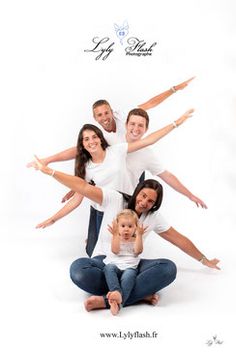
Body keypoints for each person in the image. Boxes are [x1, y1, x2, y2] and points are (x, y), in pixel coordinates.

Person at [29, 157, 220, 312]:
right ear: (137, 192)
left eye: (150, 201)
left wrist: (204, 260)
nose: (144, 202)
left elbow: (179, 239)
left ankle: (108, 300)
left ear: (155, 204)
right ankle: (136, 294)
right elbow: (83, 187)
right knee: (78, 270)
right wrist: (50, 171)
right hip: (104, 261)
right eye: (143, 196)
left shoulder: (153, 217)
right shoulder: (115, 198)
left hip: (132, 265)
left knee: (168, 268)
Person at [31, 109, 194, 256]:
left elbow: (148, 140)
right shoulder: (86, 168)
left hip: (123, 205)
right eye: (86, 139)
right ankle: (92, 243)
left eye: (94, 137)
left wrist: (176, 123)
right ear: (82, 144)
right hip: (102, 210)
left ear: (101, 139)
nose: (91, 141)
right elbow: (77, 199)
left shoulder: (116, 150)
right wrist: (53, 219)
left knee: (121, 251)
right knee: (92, 253)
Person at [104, 209, 146, 315]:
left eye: (130, 226)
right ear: (117, 227)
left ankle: (117, 304)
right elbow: (115, 250)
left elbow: (138, 251)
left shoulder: (135, 240)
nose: (126, 230)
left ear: (135, 228)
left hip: (130, 267)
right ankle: (116, 291)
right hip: (115, 265)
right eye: (122, 226)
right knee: (108, 268)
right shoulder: (115, 238)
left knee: (129, 277)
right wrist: (115, 235)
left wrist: (139, 236)